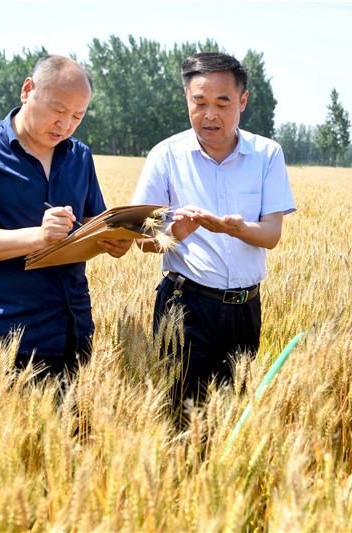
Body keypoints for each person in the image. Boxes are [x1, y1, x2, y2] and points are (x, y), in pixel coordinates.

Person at [0, 55, 131, 379]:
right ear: (27, 90)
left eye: (77, 116)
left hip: (73, 329)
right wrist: (40, 236)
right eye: (58, 111)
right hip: (3, 336)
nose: (65, 125)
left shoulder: (79, 155)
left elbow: (93, 223)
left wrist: (114, 239)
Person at [131, 52, 296, 417]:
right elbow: (142, 240)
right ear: (186, 100)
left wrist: (238, 230)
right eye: (199, 102)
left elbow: (270, 234)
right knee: (179, 414)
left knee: (232, 414)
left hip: (245, 309)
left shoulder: (267, 154)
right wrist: (176, 231)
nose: (210, 115)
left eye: (222, 103)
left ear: (242, 101)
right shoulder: (166, 156)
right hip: (184, 305)